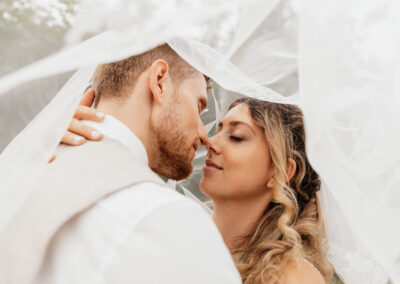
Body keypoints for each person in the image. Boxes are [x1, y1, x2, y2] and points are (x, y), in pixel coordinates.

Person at [2, 43, 242, 284]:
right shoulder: (170, 219)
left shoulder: (20, 169)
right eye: (199, 105)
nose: (204, 135)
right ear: (159, 82)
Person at [69, 92, 334, 283]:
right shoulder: (170, 229)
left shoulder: (293, 277)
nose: (210, 141)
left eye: (237, 137)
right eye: (218, 130)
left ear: (280, 172)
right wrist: (67, 148)